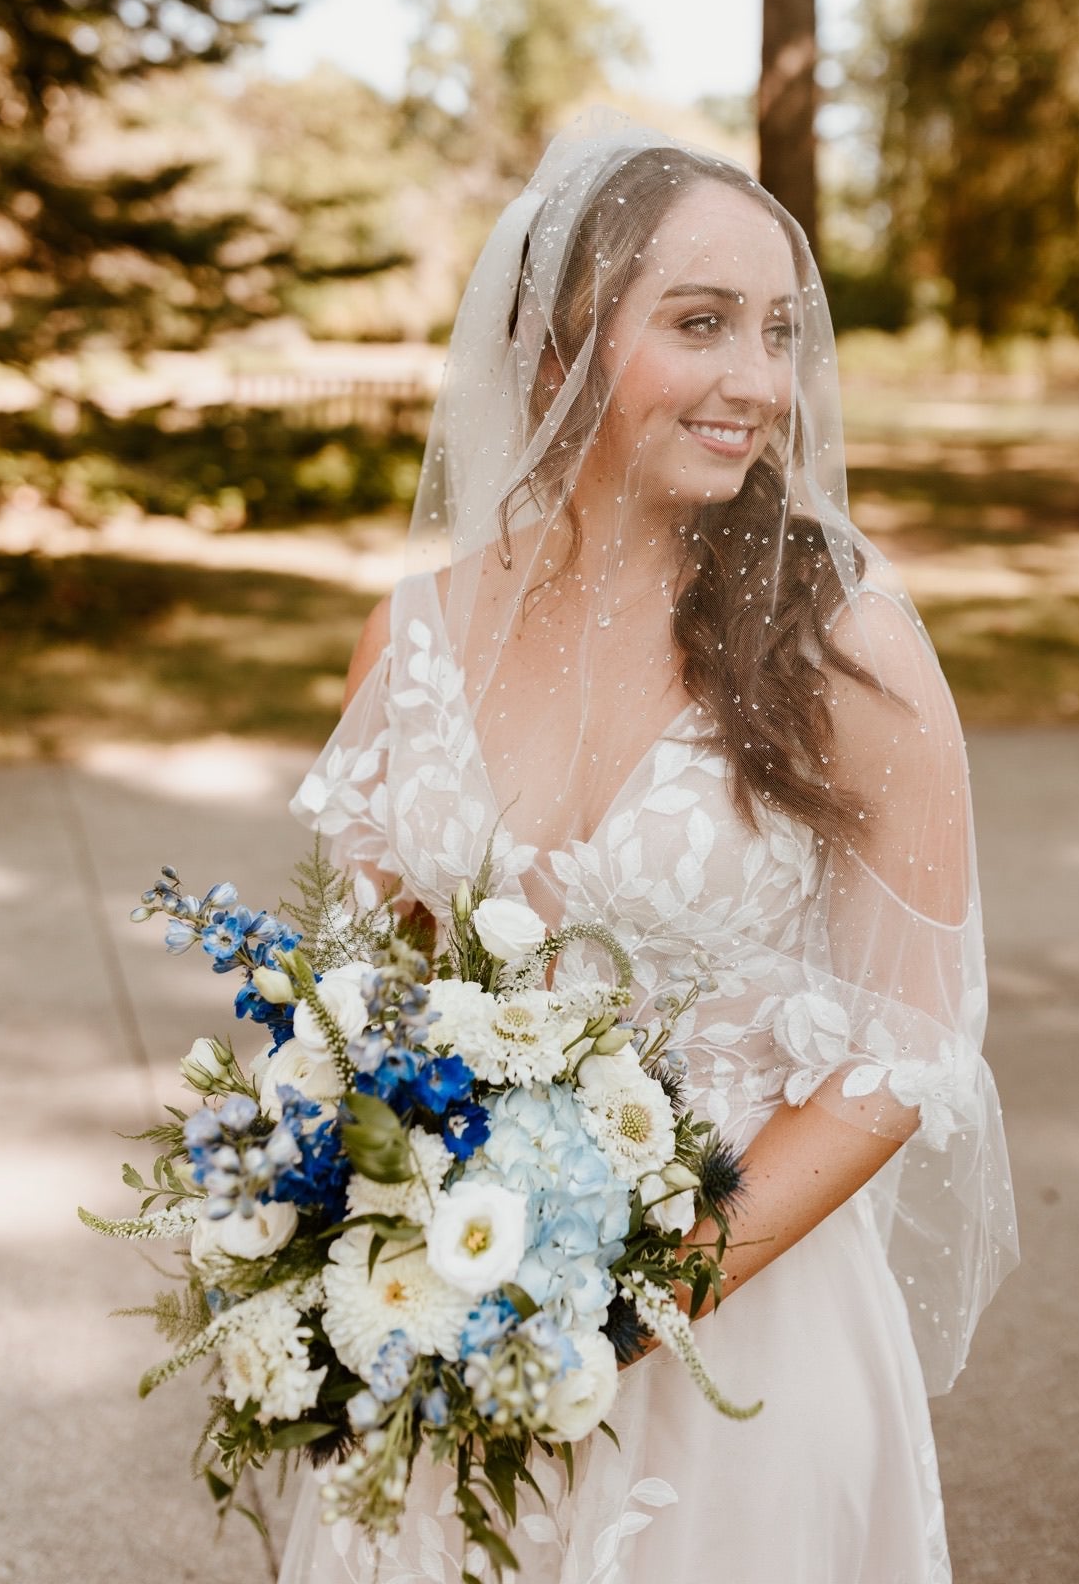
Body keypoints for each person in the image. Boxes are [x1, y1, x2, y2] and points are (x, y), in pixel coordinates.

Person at [280, 110, 1018, 1583]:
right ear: (553, 353)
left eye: (776, 332)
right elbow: (368, 999)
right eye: (700, 325)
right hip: (448, 1329)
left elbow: (907, 1048)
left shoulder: (847, 655)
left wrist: (626, 1306)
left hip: (743, 1353)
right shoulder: (412, 638)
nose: (757, 381)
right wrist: (353, 1253)